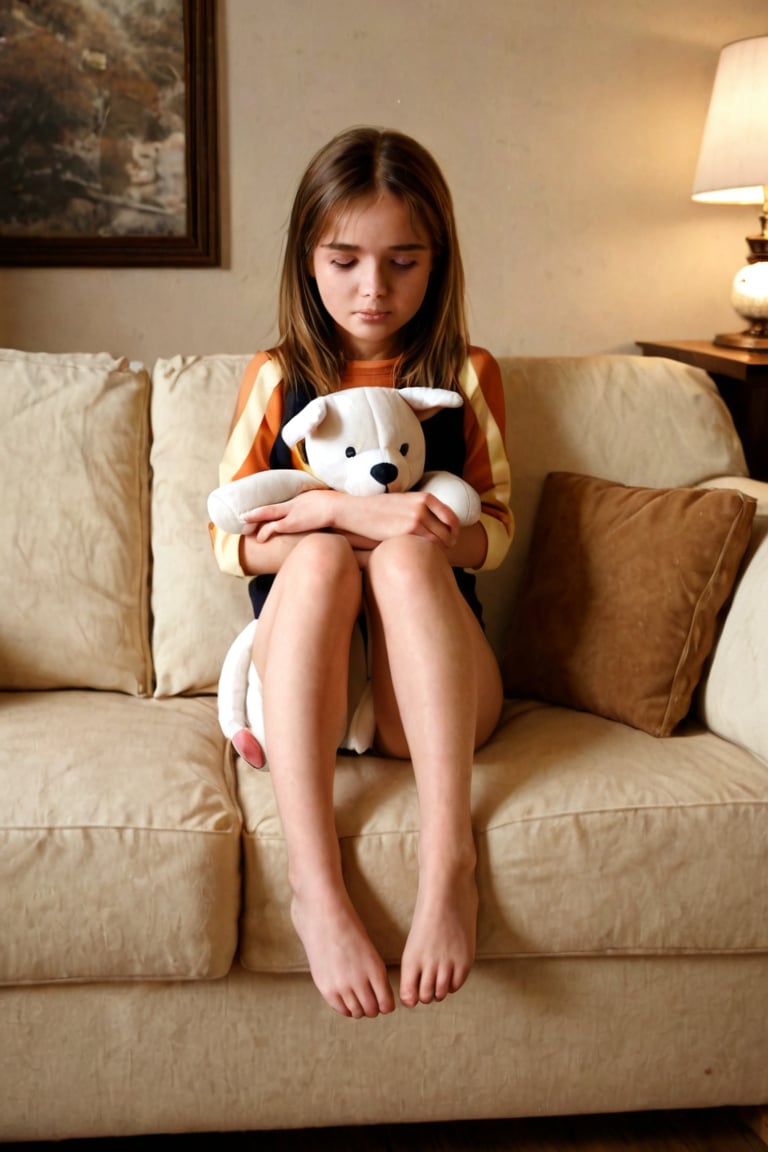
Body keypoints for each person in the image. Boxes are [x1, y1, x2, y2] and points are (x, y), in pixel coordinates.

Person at [211, 127, 513, 1019]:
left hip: (437, 701)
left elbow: (492, 529)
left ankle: (447, 867)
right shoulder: (278, 377)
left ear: (437, 262)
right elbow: (231, 539)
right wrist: (341, 518)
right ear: (309, 259)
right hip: (319, 692)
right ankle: (317, 889)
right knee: (311, 556)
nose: (372, 288)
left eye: (402, 261)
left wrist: (387, 521)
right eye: (344, 260)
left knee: (417, 552)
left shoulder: (465, 373)